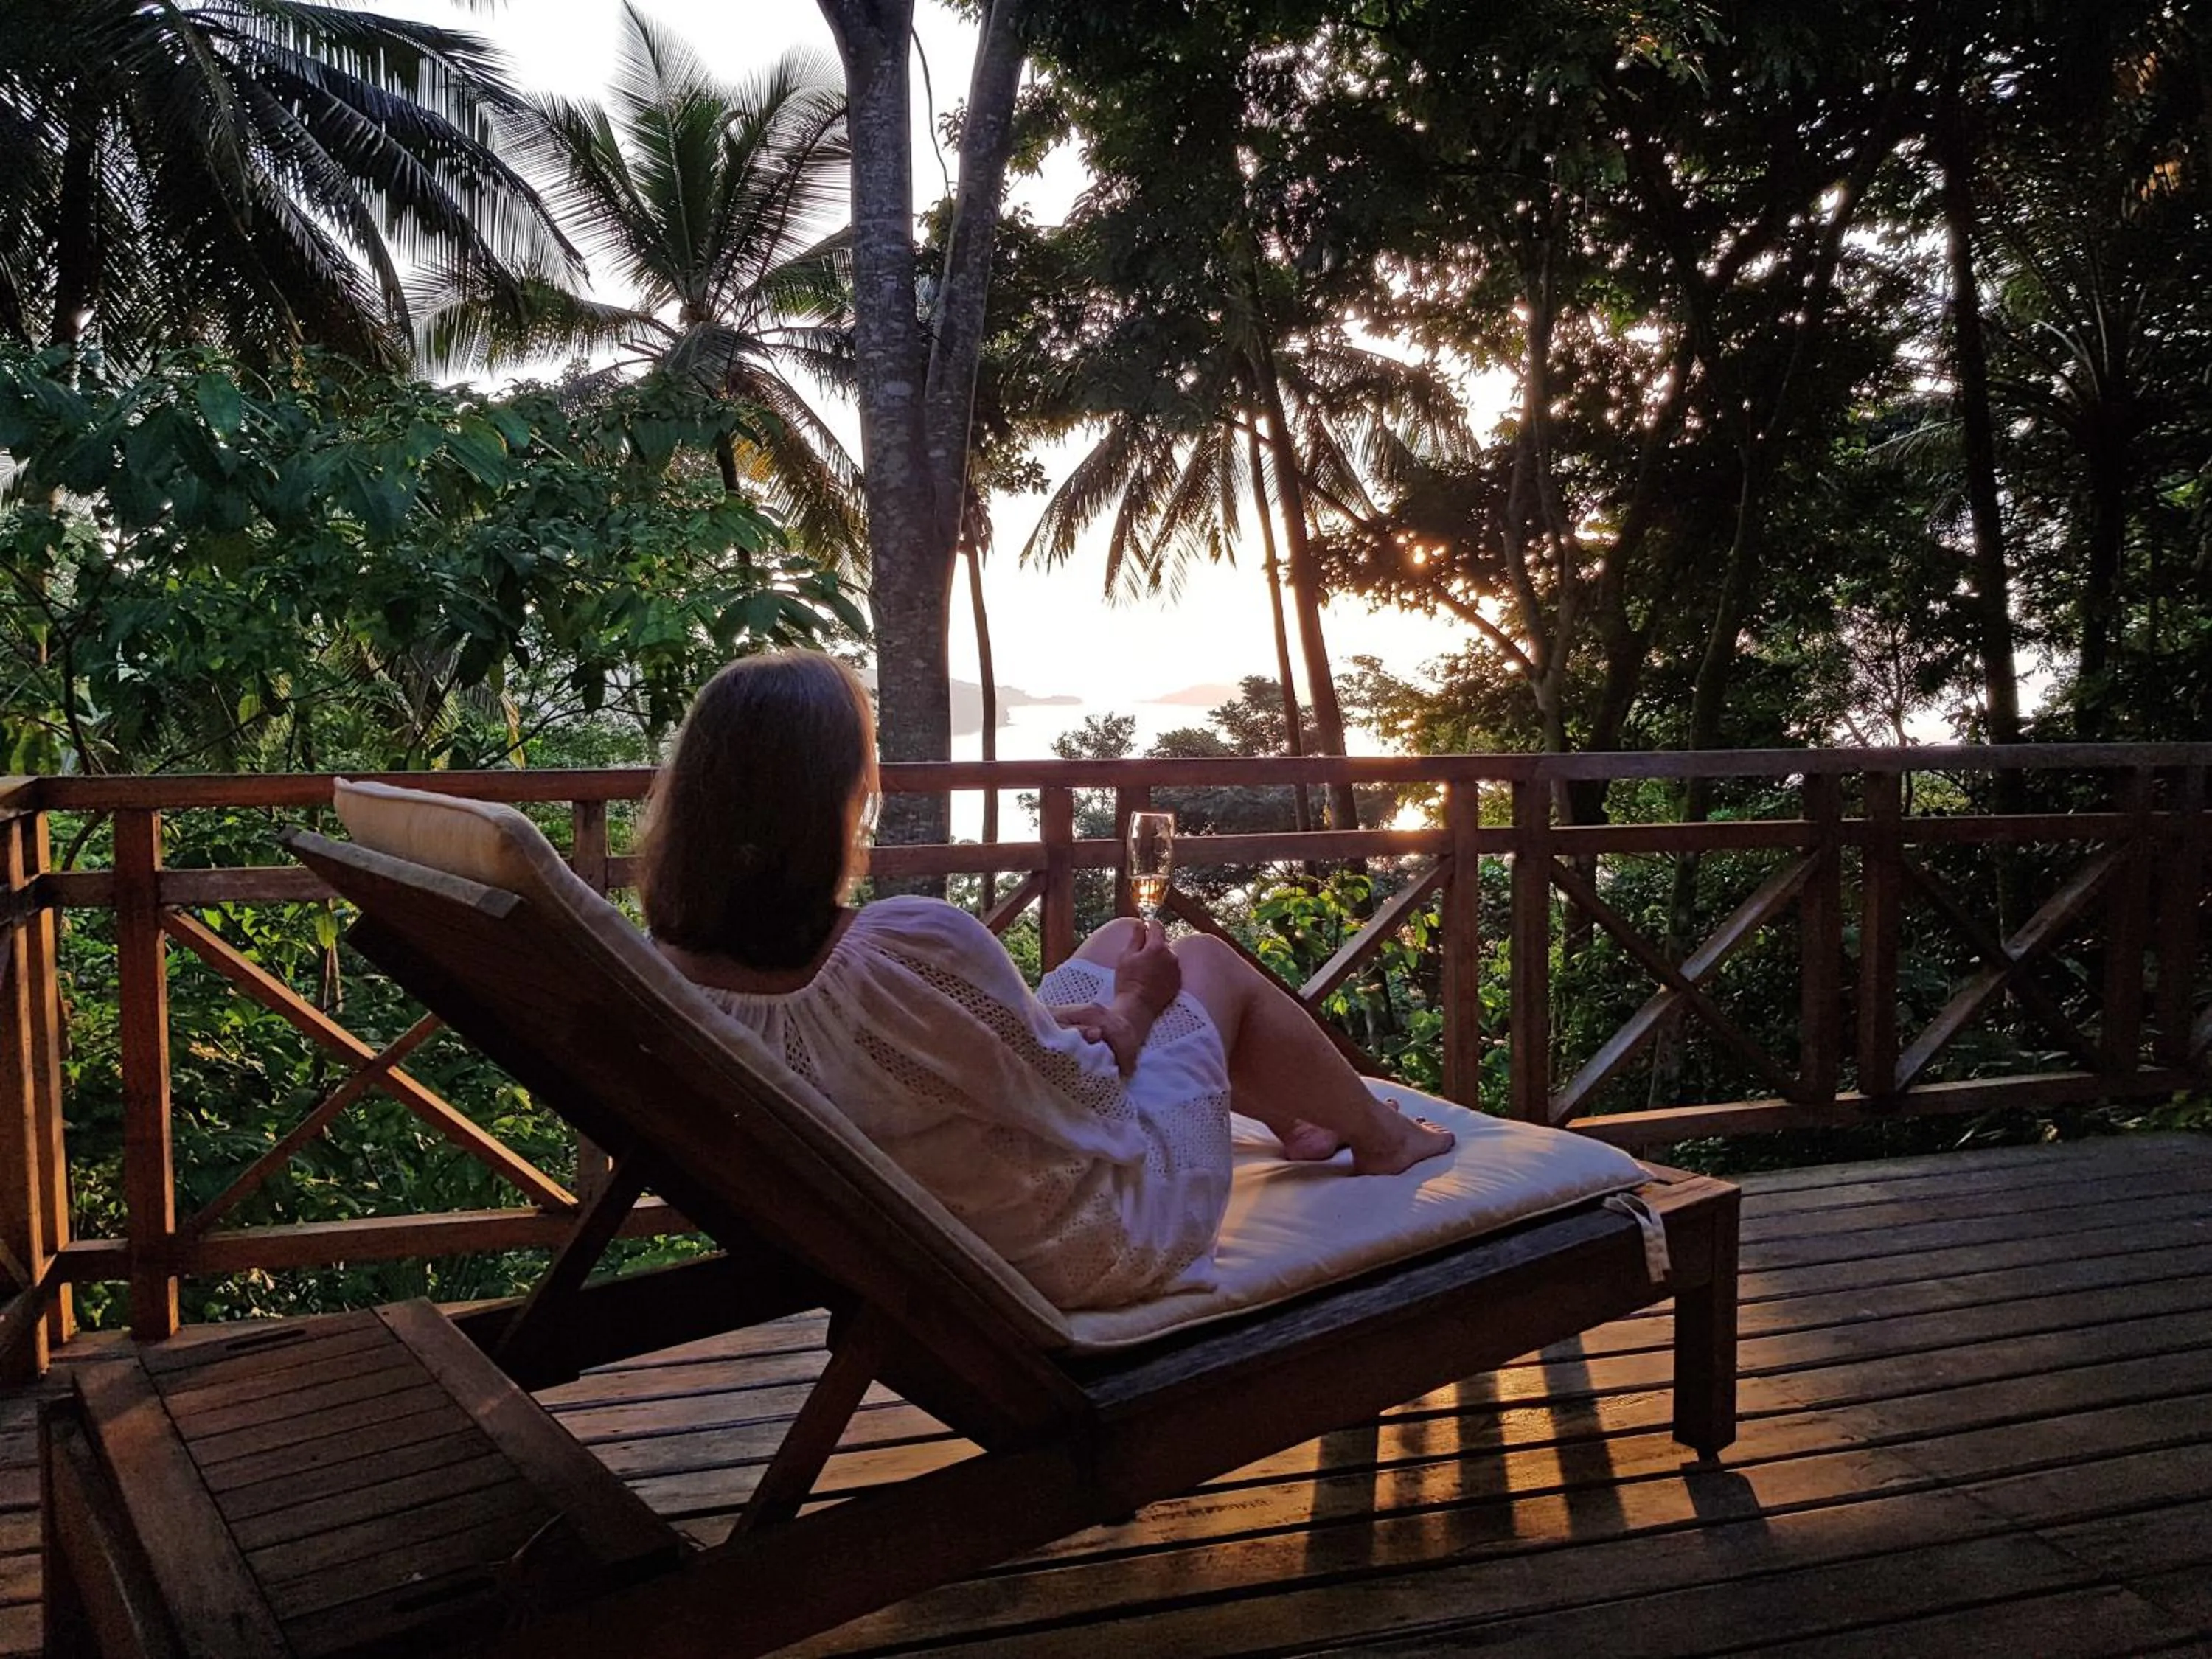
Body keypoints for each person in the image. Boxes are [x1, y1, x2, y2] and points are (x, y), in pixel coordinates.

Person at [640, 651, 1453, 1311]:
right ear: (834, 800)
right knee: (1198, 964)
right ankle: (1385, 1140)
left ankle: (1296, 1119)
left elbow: (948, 1067)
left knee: (1112, 938)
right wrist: (1132, 1012)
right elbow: (1091, 1104)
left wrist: (1094, 1018)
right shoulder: (906, 946)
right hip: (1083, 1236)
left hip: (931, 1220)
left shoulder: (669, 976)